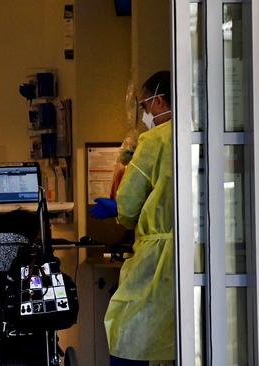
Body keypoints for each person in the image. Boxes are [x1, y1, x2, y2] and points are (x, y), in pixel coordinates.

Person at [89, 71, 174, 366]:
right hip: (195, 252)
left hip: (157, 257)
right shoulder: (199, 134)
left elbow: (129, 202)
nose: (145, 114)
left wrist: (117, 207)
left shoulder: (154, 140)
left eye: (146, 106)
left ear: (160, 101)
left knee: (127, 330)